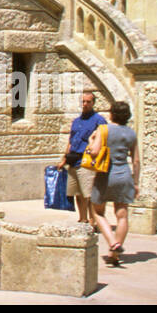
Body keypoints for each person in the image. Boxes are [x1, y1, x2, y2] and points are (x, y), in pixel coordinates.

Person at [88, 100, 139, 265]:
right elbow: (136, 161)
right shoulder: (132, 134)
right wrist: (136, 182)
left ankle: (112, 242)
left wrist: (90, 141)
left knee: (97, 211)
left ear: (111, 114)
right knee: (122, 214)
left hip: (105, 175)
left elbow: (94, 152)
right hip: (124, 175)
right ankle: (115, 255)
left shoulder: (104, 130)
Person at [54, 90, 105, 225]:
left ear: (93, 103)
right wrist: (64, 160)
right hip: (73, 160)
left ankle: (93, 221)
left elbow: (103, 141)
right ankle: (83, 218)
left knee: (89, 194)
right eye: (83, 101)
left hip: (87, 160)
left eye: (88, 101)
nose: (85, 104)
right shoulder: (76, 121)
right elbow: (71, 141)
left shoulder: (99, 120)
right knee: (77, 193)